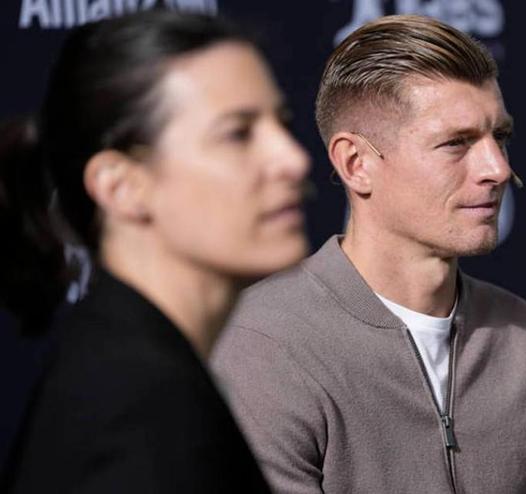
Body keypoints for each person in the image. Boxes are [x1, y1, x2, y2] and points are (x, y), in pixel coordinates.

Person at [212, 14, 526, 494]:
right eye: (456, 143)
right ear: (356, 164)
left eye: (500, 137)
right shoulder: (262, 346)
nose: (498, 168)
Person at [0, 9, 309, 493]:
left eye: (282, 124)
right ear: (121, 187)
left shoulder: (132, 372)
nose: (293, 159)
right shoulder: (141, 410)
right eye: (238, 133)